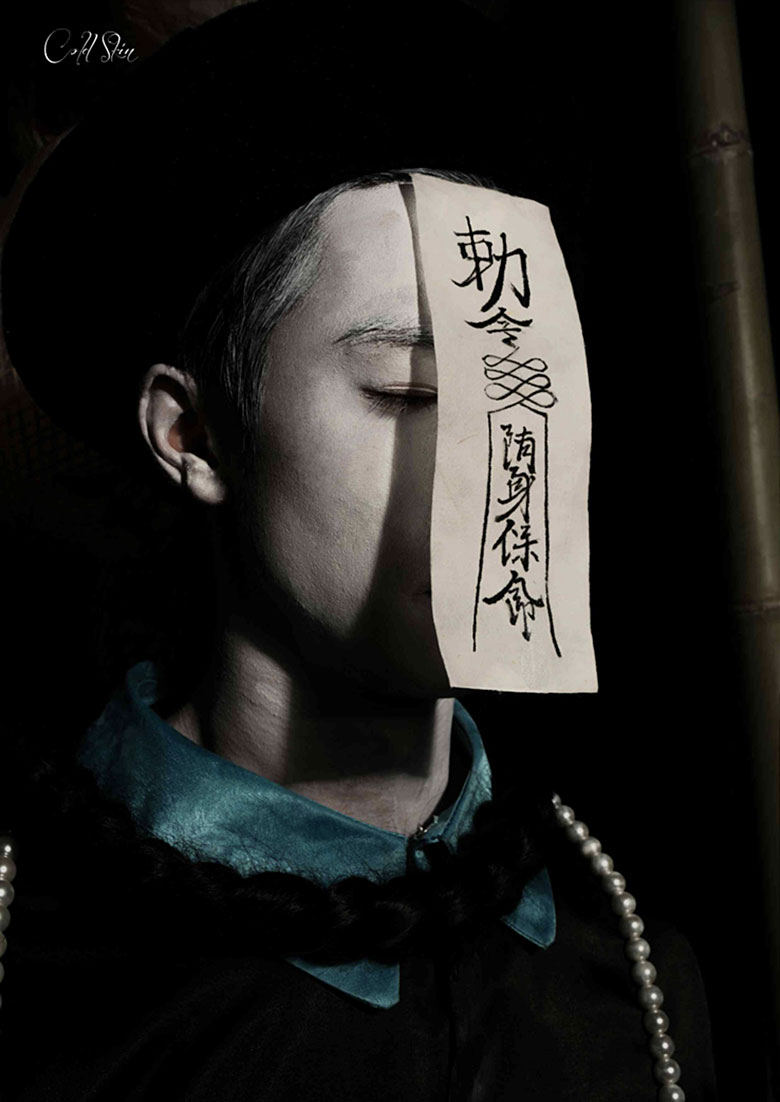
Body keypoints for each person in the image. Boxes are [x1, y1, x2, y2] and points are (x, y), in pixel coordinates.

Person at [0, 3, 718, 1099]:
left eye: (516, 394)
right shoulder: (34, 964)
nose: (492, 467)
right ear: (193, 434)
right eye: (408, 392)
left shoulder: (631, 958)